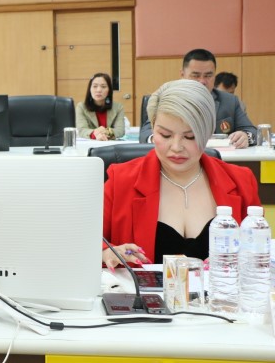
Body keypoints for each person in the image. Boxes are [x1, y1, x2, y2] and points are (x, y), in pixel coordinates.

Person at [103, 79, 260, 269]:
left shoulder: (241, 181)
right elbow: (84, 244)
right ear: (153, 129)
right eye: (165, 135)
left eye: (190, 136)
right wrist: (106, 253)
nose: (176, 147)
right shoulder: (120, 181)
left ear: (208, 133)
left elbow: (260, 254)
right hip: (141, 290)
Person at [139, 49, 255, 148]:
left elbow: (252, 131)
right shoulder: (169, 98)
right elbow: (146, 133)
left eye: (208, 75)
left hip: (220, 159)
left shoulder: (230, 101)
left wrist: (246, 136)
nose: (202, 81)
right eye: (196, 75)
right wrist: (158, 139)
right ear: (182, 75)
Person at [75, 73, 126, 140]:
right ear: (90, 89)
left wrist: (107, 132)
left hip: (110, 143)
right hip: (90, 143)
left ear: (109, 90)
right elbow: (82, 130)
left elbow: (120, 131)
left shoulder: (118, 107)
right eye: (95, 86)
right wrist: (95, 133)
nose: (98, 90)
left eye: (103, 86)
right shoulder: (81, 107)